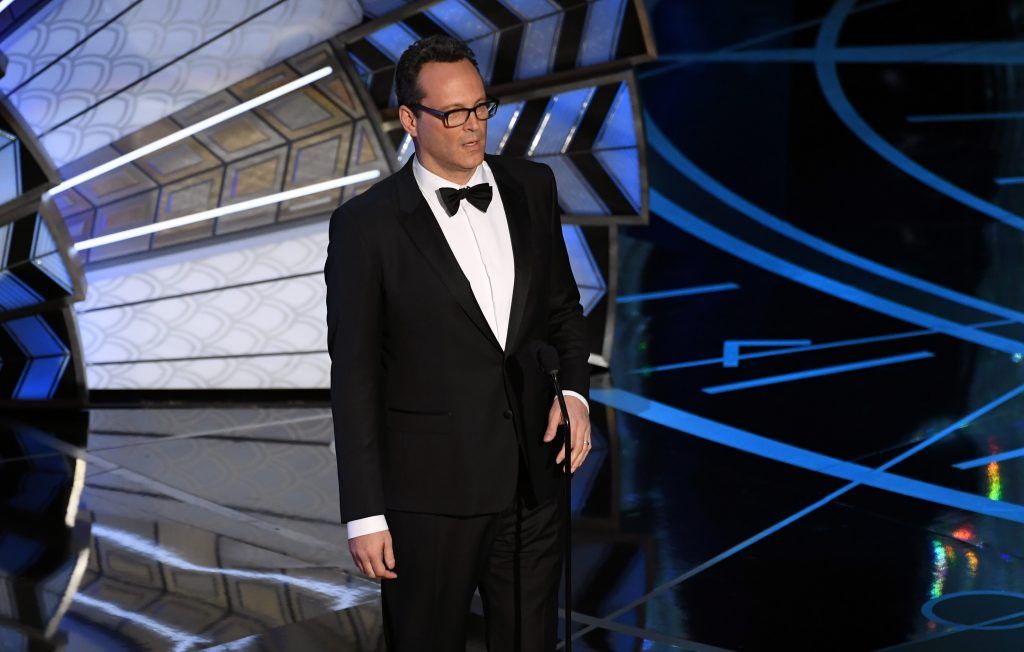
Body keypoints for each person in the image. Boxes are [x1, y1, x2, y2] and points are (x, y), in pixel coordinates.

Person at [324, 34, 592, 651]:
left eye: (480, 108)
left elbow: (562, 309)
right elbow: (355, 378)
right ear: (410, 121)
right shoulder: (366, 226)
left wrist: (574, 393)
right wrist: (365, 515)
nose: (473, 129)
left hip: (534, 478)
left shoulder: (533, 187)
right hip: (428, 500)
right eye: (453, 114)